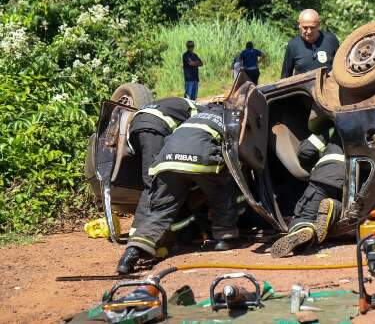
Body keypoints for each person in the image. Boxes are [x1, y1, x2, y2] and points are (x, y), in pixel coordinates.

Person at [117, 104, 240, 274]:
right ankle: (225, 237)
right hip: (199, 160)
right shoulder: (229, 118)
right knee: (221, 190)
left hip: (167, 162)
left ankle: (131, 253)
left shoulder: (191, 120)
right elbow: (235, 153)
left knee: (161, 211)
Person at [125, 97, 200, 246]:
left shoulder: (175, 103)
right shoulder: (197, 111)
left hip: (135, 129)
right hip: (153, 129)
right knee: (154, 182)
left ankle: (179, 232)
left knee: (159, 180)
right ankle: (138, 235)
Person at [270, 130, 345, 258]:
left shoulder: (332, 128)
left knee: (306, 213)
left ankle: (302, 229)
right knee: (346, 208)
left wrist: (310, 166)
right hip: (357, 182)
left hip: (327, 176)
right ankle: (333, 208)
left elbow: (305, 152)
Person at [281, 9, 340, 78]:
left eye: (312, 27)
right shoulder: (293, 45)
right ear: (299, 25)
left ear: (318, 25)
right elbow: (285, 77)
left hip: (329, 87)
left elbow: (341, 66)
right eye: (305, 28)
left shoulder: (331, 40)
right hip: (303, 88)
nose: (309, 31)